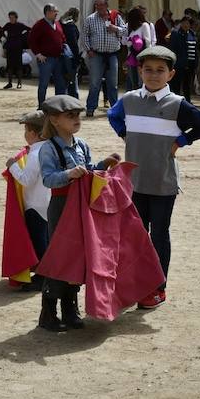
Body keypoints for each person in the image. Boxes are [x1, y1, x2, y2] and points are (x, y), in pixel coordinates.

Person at [108, 46, 200, 308]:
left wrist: (181, 140)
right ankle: (136, 282)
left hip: (162, 184)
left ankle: (158, 287)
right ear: (139, 71)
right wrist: (124, 133)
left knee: (159, 235)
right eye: (148, 70)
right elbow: (113, 115)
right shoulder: (130, 99)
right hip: (134, 183)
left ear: (171, 74)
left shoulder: (177, 104)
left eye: (160, 70)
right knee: (135, 235)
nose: (154, 75)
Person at [37, 94, 120, 331]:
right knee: (60, 257)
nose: (76, 119)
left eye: (78, 115)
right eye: (70, 116)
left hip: (81, 207)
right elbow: (48, 180)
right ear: (54, 120)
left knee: (77, 257)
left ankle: (70, 309)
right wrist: (69, 174)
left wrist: (103, 164)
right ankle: (48, 313)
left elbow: (89, 171)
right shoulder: (48, 148)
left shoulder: (81, 144)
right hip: (61, 206)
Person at [5, 109, 51, 290]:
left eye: (26, 130)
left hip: (35, 205)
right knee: (47, 239)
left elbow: (26, 180)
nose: (25, 134)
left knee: (39, 242)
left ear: (34, 133)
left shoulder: (34, 154)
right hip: (48, 202)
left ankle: (43, 277)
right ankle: (47, 273)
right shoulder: (51, 148)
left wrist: (12, 166)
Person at [81, 0, 126, 117]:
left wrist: (115, 28)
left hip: (112, 55)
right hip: (96, 55)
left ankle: (115, 109)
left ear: (106, 5)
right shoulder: (90, 19)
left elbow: (125, 31)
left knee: (113, 84)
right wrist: (88, 49)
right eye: (97, 5)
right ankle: (91, 108)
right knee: (95, 83)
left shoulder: (115, 17)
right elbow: (84, 36)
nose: (99, 7)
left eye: (101, 5)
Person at [29, 4, 67, 109]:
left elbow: (62, 37)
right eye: (55, 11)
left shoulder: (57, 24)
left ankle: (59, 106)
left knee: (60, 84)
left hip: (58, 58)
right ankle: (41, 106)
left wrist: (64, 46)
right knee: (43, 84)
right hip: (46, 59)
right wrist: (38, 54)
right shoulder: (39, 24)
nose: (57, 13)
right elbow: (31, 40)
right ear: (48, 12)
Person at [168, 16, 197, 102]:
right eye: (184, 22)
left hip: (190, 64)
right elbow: (172, 48)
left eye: (188, 23)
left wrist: (195, 62)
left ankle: (187, 102)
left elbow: (195, 49)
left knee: (187, 85)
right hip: (179, 64)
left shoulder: (192, 34)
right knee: (176, 85)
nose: (186, 25)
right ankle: (175, 102)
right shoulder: (176, 33)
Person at [0, 11, 30, 89]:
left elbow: (29, 29)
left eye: (12, 18)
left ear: (16, 18)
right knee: (9, 66)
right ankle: (10, 83)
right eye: (10, 18)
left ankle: (19, 83)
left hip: (18, 48)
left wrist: (23, 37)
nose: (11, 19)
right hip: (10, 48)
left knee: (19, 66)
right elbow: (1, 31)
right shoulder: (8, 25)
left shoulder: (20, 25)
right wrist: (4, 38)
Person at [123, 7, 150, 93]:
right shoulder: (131, 28)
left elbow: (148, 42)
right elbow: (125, 42)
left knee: (141, 81)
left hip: (142, 57)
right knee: (133, 82)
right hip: (132, 57)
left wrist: (147, 57)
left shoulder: (144, 26)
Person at [60, 8, 82, 99]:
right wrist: (77, 59)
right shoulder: (71, 26)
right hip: (70, 55)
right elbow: (73, 43)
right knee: (72, 79)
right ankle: (73, 100)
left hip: (61, 53)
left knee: (63, 80)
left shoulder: (61, 23)